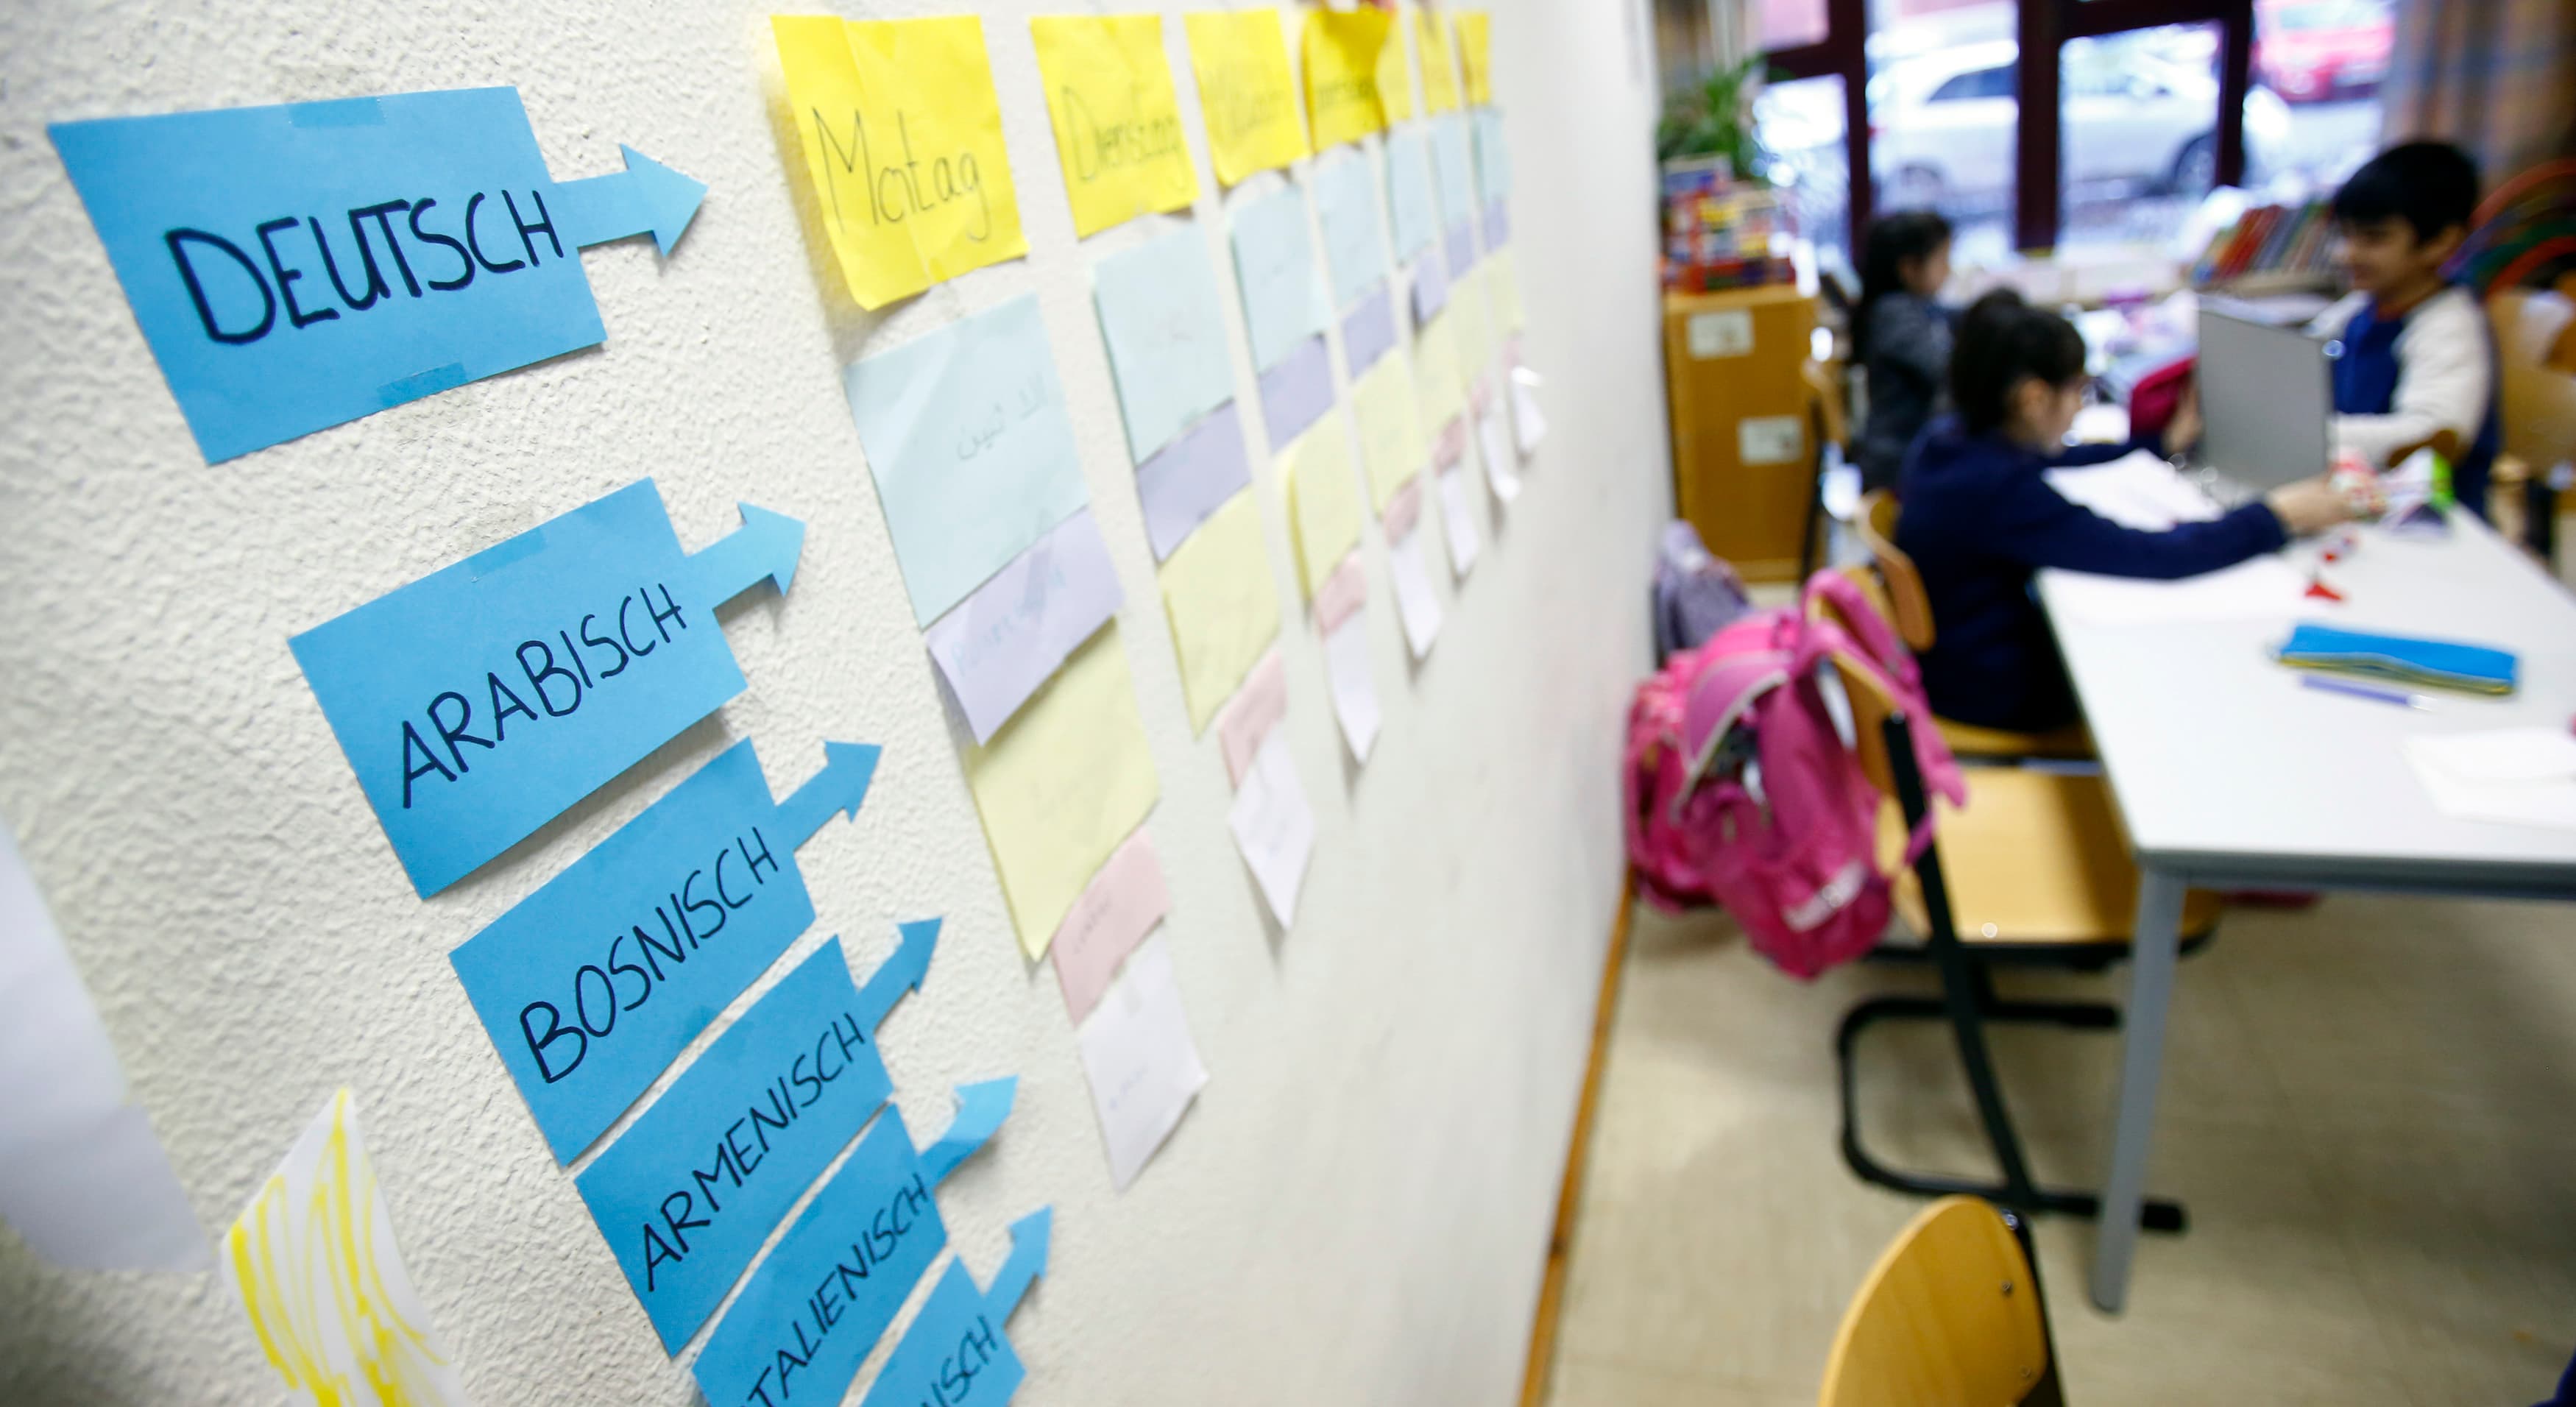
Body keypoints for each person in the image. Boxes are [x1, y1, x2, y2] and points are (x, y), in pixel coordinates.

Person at [1897, 291, 2353, 733]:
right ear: (2034, 399)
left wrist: (2157, 446)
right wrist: (2277, 515)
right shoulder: (2001, 491)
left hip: (1954, 666)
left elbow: (2048, 460)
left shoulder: (1950, 442)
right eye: (2078, 391)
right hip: (1994, 691)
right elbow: (2153, 555)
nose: (2079, 408)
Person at [2310, 141, 2499, 517]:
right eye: (2344, 235)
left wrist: (2308, 432)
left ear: (2442, 242)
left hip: (2429, 517)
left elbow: (2432, 434)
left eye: (2373, 238)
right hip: (2359, 491)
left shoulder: (2450, 326)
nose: (2346, 253)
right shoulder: (2360, 308)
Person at [1852, 210, 1956, 493]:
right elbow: (1947, 368)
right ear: (1909, 268)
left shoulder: (1912, 306)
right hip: (1900, 466)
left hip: (1906, 459)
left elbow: (1956, 317)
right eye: (1943, 260)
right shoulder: (1894, 313)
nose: (1950, 270)